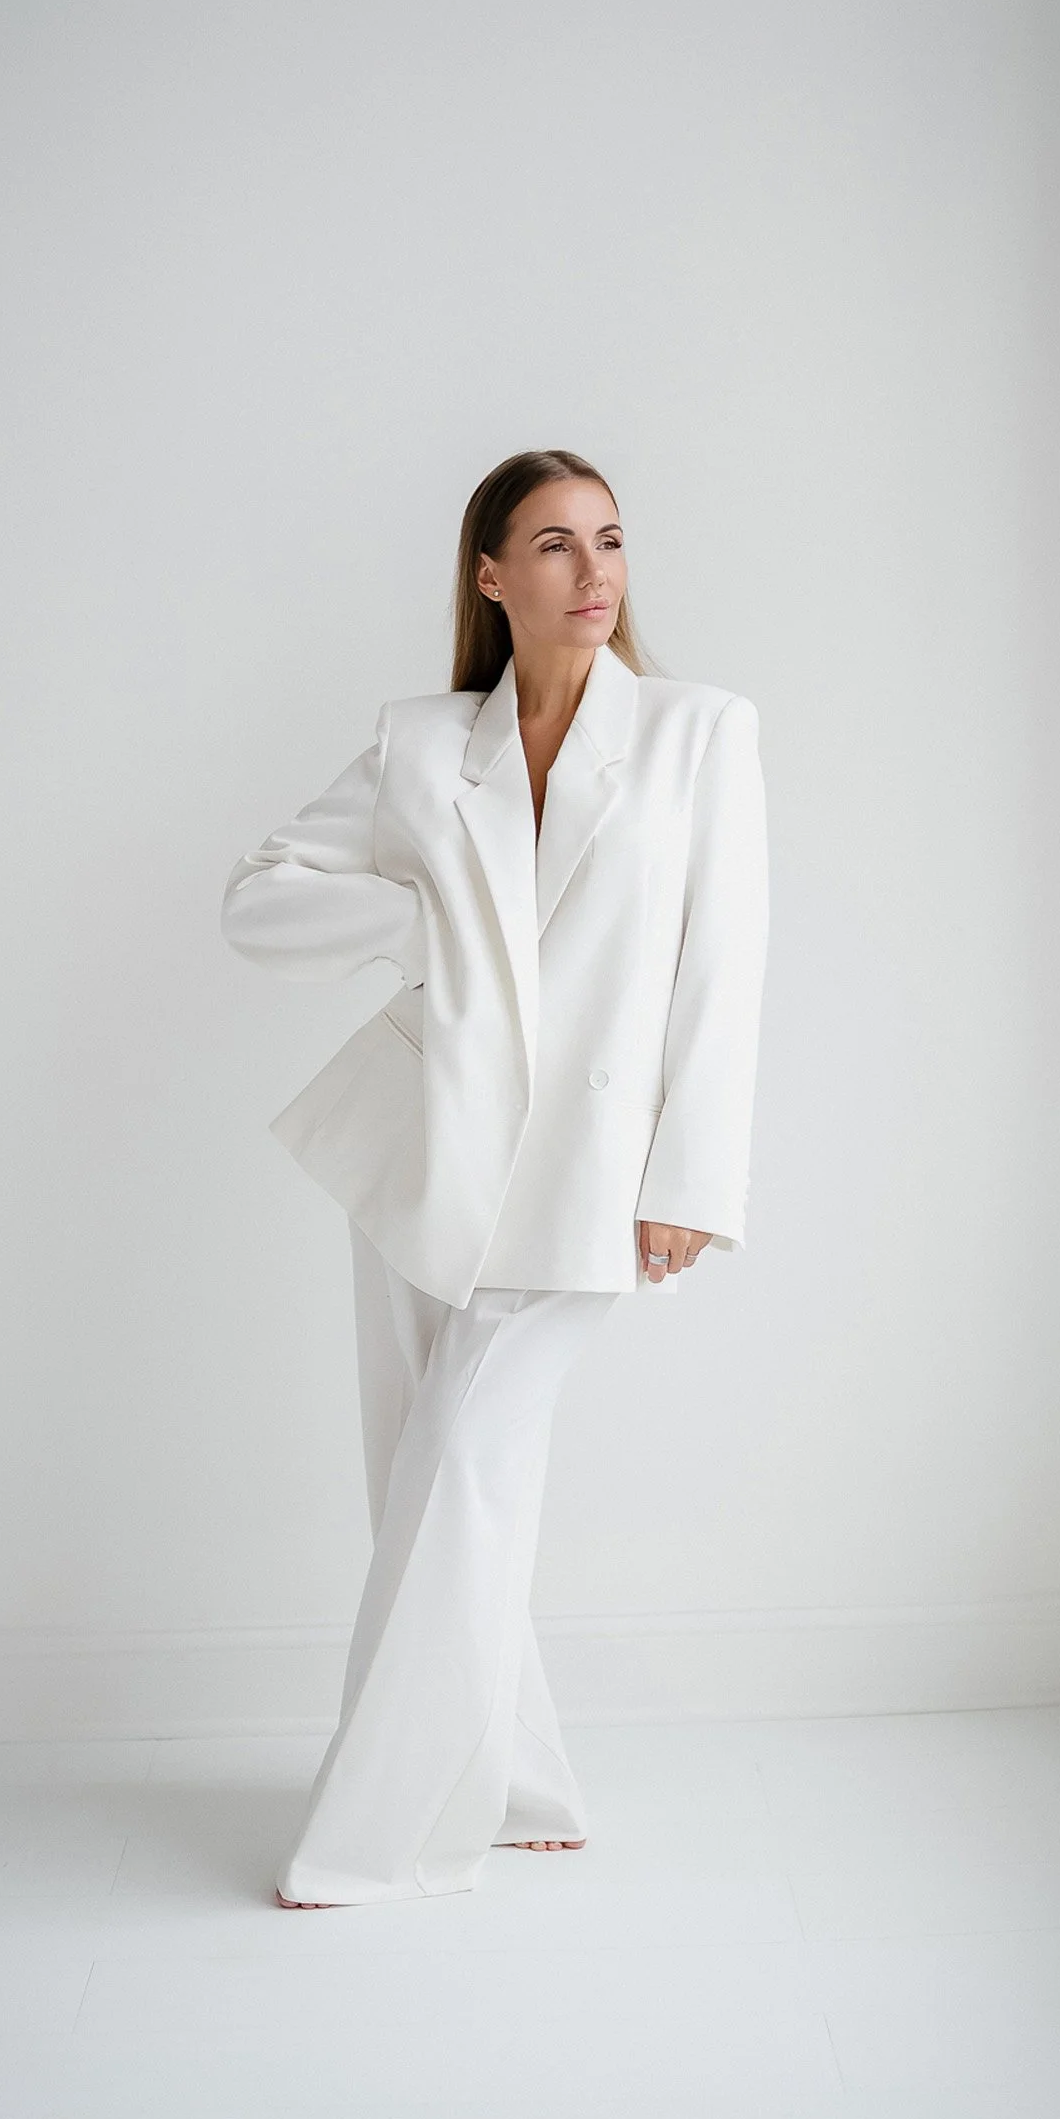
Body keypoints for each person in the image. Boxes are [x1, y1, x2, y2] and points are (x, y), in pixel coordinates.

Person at [221, 448, 770, 1908]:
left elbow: (723, 969)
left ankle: (377, 1829)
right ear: (490, 575)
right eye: (553, 545)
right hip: (426, 1151)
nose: (594, 574)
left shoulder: (697, 733)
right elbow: (258, 901)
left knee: (461, 1466)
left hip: (592, 1172)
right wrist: (423, 926)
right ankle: (522, 1780)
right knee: (422, 1473)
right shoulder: (420, 746)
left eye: (610, 540)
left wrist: (692, 1178)